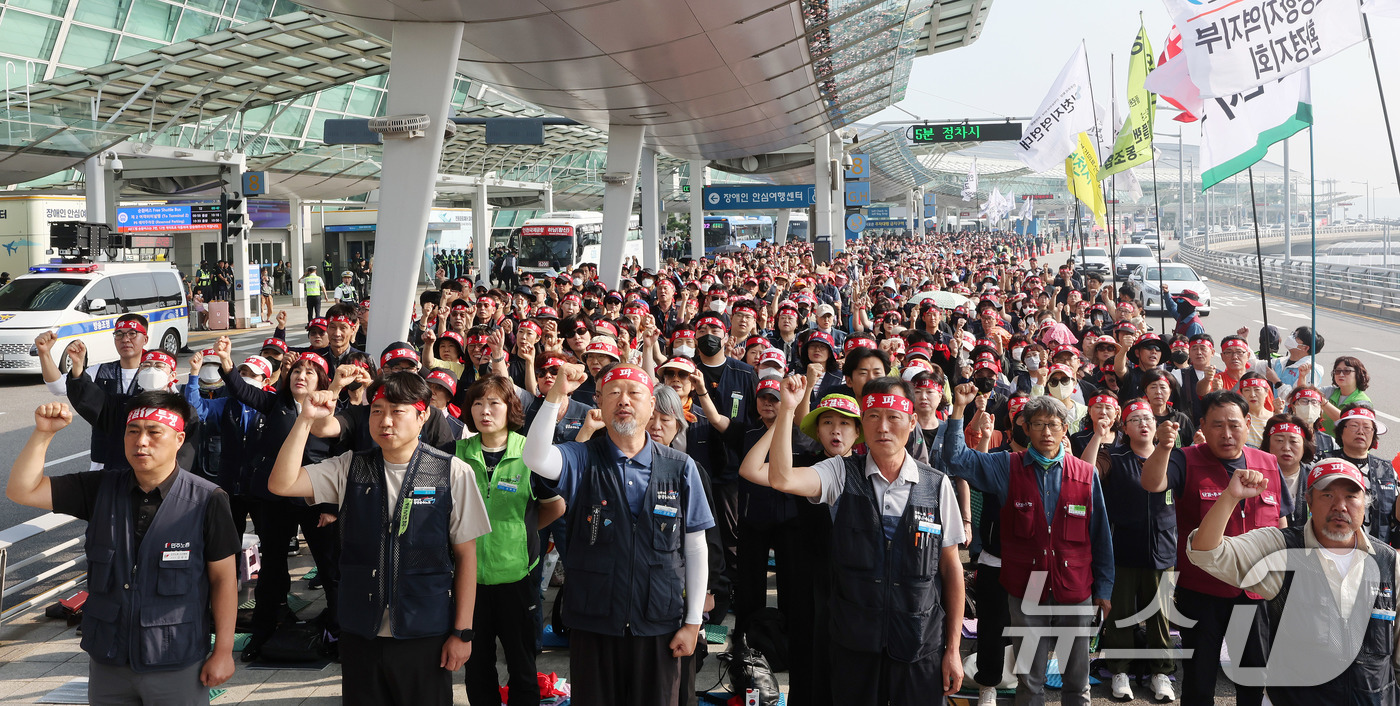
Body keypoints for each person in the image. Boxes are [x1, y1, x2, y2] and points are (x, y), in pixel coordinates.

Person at [267, 372, 490, 706]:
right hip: (361, 632)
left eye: (397, 411)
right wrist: (305, 420)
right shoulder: (350, 467)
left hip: (424, 631)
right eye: (377, 410)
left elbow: (466, 557)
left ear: (422, 415)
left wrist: (462, 632)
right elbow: (281, 484)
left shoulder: (451, 472)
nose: (385, 421)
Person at [8, 394, 239, 704]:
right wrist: (43, 434)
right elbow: (22, 490)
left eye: (154, 432)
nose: (141, 441)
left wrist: (223, 651)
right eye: (133, 431)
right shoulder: (100, 488)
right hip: (109, 660)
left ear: (179, 439)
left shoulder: (207, 499)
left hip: (175, 658)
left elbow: (224, 579)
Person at [521, 363, 713, 706]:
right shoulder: (582, 458)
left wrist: (693, 622)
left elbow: (696, 548)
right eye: (613, 393)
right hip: (594, 623)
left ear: (651, 405)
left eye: (634, 393)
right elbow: (536, 457)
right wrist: (556, 394)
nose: (624, 400)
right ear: (598, 402)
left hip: (659, 623)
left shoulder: (680, 467)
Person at [767, 375, 965, 706]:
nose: (882, 427)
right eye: (873, 416)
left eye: (893, 417)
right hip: (854, 645)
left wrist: (953, 649)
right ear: (862, 423)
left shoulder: (936, 485)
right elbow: (781, 478)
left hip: (919, 645)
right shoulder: (840, 472)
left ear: (912, 422)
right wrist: (787, 409)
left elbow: (951, 568)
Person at [944, 386, 1113, 706]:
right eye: (1038, 424)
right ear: (1025, 428)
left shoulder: (1085, 474)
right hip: (1028, 588)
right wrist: (958, 409)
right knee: (1030, 680)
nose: (1046, 431)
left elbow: (1100, 536)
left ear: (1065, 428)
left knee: (1076, 681)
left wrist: (1104, 589)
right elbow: (956, 460)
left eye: (1053, 424)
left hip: (1074, 586)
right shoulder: (1006, 467)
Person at [1185, 458, 1399, 704]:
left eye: (1351, 496)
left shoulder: (1388, 561)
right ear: (1309, 501)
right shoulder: (1282, 549)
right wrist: (1230, 497)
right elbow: (1206, 552)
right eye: (1327, 495)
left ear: (1365, 503)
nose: (1340, 506)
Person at [1139, 391, 1291, 706]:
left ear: (1248, 424)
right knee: (1199, 679)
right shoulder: (1186, 459)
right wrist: (1164, 447)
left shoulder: (1268, 463)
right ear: (1203, 426)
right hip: (1202, 591)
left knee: (1253, 678)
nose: (1227, 433)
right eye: (1217, 425)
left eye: (1234, 425)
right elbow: (1152, 484)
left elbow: (1281, 522)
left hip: (1254, 593)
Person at [455, 376, 566, 706]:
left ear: (511, 409)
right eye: (477, 403)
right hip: (469, 579)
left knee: (522, 663)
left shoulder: (529, 454)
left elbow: (555, 506)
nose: (485, 411)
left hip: (517, 576)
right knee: (477, 665)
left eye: (494, 403)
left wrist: (522, 531)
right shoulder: (455, 454)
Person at [1097, 399, 1178, 702]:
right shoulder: (1114, 456)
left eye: (1148, 418)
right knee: (1120, 613)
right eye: (1135, 419)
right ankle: (1119, 670)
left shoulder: (1172, 456)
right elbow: (1088, 472)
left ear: (1156, 426)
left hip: (1163, 548)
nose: (1143, 424)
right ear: (1125, 428)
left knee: (1160, 615)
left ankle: (1161, 672)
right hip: (1123, 548)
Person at [1320, 404, 1398, 546]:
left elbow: (1395, 516)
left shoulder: (1386, 469)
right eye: (1354, 426)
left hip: (1377, 550)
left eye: (1367, 428)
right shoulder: (1324, 463)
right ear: (1341, 431)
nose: (1361, 431)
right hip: (1331, 547)